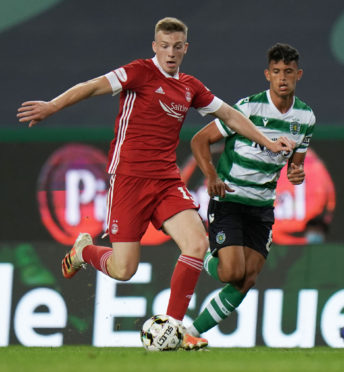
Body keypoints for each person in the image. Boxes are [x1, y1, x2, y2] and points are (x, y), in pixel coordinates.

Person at [16, 19, 292, 349]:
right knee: (123, 269)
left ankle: (176, 327)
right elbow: (91, 86)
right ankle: (84, 251)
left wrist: (268, 142)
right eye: (165, 46)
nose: (171, 53)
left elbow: (230, 116)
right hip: (129, 179)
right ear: (154, 47)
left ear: (186, 48)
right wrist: (53, 105)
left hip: (165, 180)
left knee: (196, 244)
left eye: (177, 47)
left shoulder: (190, 87)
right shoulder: (139, 73)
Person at [186, 43, 315, 347]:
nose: (283, 78)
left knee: (247, 278)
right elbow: (199, 140)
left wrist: (298, 174)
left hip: (261, 208)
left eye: (289, 72)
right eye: (277, 72)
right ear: (267, 75)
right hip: (230, 199)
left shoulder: (305, 118)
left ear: (299, 75)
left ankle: (191, 332)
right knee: (231, 271)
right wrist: (211, 176)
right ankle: (206, 257)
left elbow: (295, 167)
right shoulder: (248, 108)